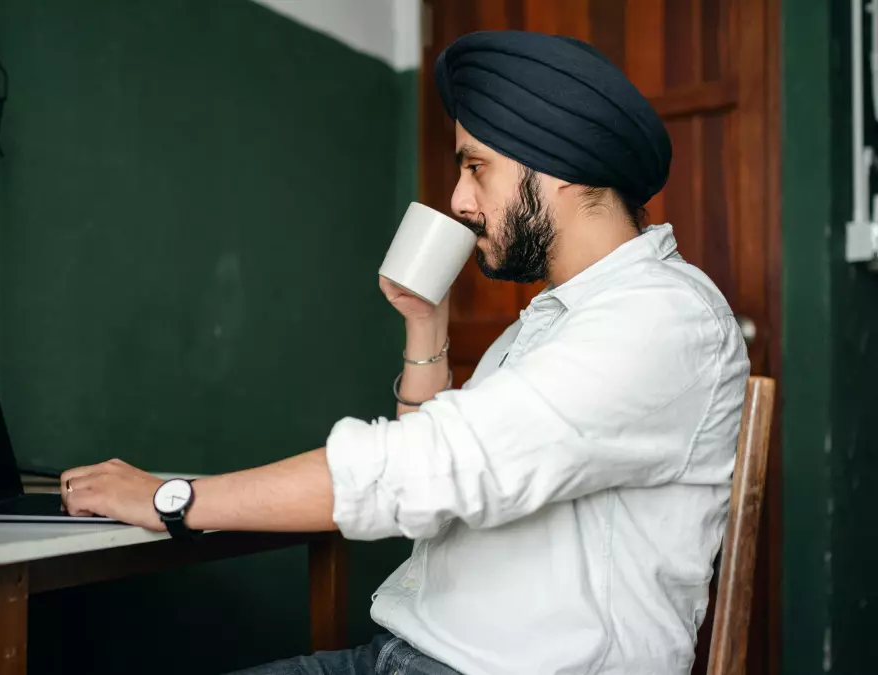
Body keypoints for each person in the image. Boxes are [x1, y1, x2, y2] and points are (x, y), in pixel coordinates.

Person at [58, 30, 749, 675]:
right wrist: (425, 325)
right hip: (396, 653)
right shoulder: (548, 323)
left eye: (478, 167)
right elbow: (437, 493)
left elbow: (423, 470)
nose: (458, 198)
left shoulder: (660, 316)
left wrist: (172, 499)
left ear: (564, 168)